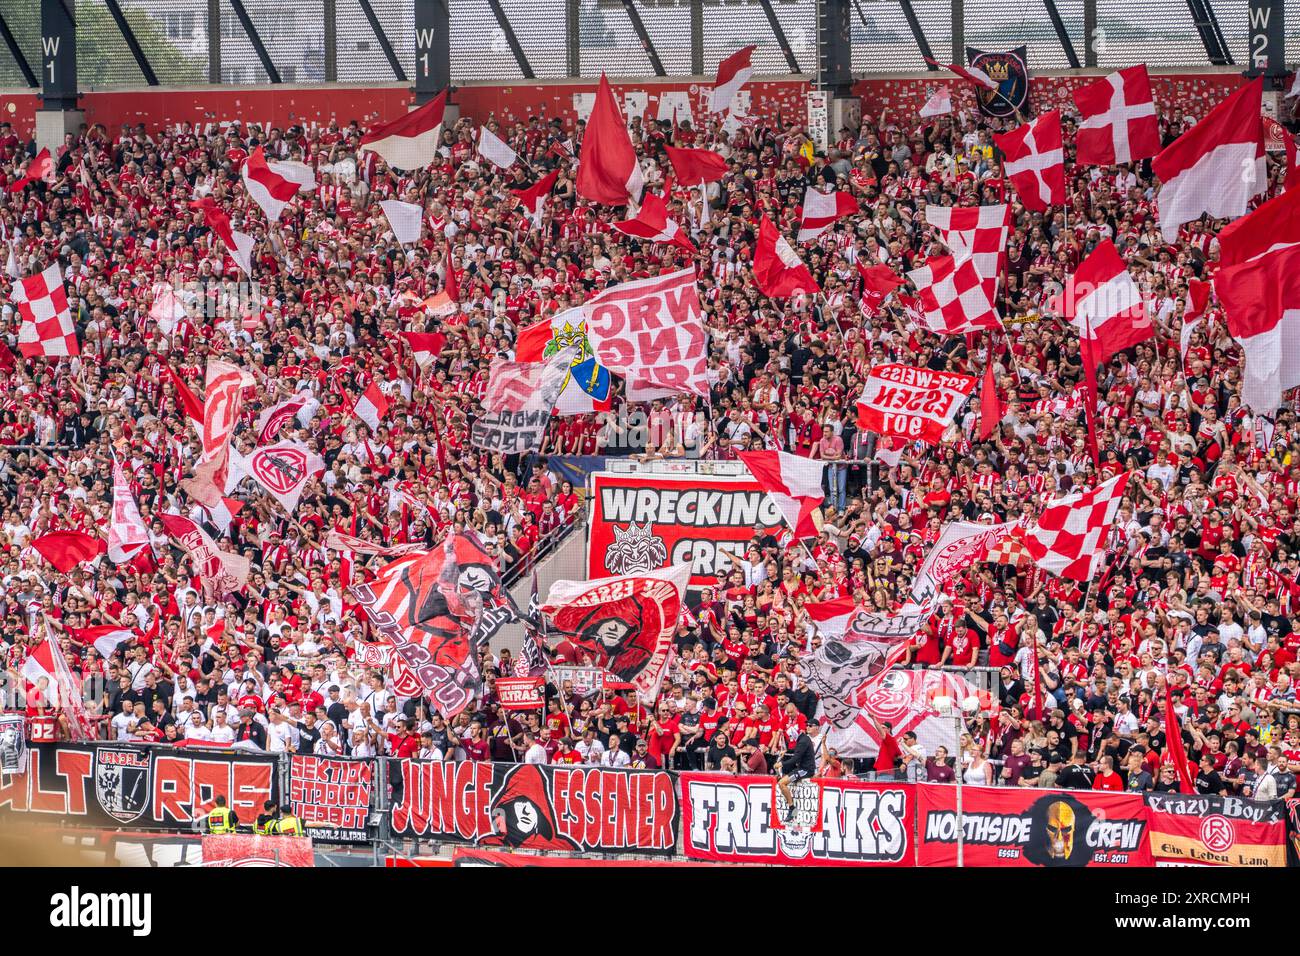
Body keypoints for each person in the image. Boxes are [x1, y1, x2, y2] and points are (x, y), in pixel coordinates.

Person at [777, 719, 818, 823]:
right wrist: (786, 751)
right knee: (783, 779)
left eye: (810, 725)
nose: (808, 727)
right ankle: (792, 809)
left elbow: (795, 758)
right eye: (807, 725)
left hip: (805, 770)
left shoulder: (803, 741)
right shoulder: (803, 739)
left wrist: (781, 763)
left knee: (781, 783)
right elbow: (797, 751)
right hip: (803, 768)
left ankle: (792, 808)